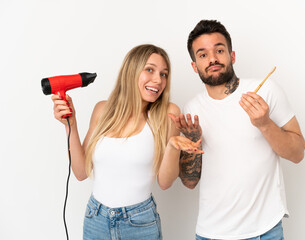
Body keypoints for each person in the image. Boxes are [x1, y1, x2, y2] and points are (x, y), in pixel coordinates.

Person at [169, 20, 305, 240]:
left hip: (265, 231)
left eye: (219, 50)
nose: (212, 58)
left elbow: (298, 153)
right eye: (203, 55)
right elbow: (190, 182)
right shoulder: (191, 109)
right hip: (210, 233)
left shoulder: (266, 91)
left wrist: (264, 124)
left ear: (232, 56)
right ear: (194, 66)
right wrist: (193, 141)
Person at [51, 44, 202, 240]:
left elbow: (165, 182)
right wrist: (70, 124)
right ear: (131, 71)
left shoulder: (167, 113)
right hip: (95, 218)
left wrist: (173, 147)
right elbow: (80, 173)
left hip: (140, 223)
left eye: (164, 74)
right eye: (150, 69)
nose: (158, 80)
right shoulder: (102, 110)